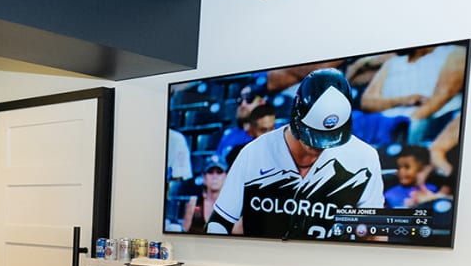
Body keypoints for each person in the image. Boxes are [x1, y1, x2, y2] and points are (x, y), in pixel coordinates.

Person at [207, 69, 384, 239]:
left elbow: (373, 232)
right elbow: (220, 222)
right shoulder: (255, 152)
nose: (318, 147)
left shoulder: (365, 158)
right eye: (312, 138)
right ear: (297, 118)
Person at [358, 43, 467, 145]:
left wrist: (406, 126)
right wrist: (404, 100)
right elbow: (366, 103)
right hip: (382, 126)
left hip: (424, 127)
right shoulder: (393, 62)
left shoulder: (454, 53)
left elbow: (440, 98)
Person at [382, 145, 442, 209]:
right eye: (398, 167)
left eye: (407, 167)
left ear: (422, 169)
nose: (401, 171)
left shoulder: (433, 190)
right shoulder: (390, 195)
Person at [180, 161, 227, 233]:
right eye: (210, 172)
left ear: (226, 177)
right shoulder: (194, 204)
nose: (215, 177)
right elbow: (183, 232)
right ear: (204, 178)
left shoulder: (232, 206)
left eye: (219, 172)